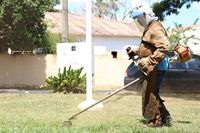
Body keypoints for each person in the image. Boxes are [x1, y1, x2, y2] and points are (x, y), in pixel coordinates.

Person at [126, 7, 172, 127]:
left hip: (157, 67)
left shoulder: (155, 28)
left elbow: (164, 47)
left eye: (141, 19)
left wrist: (149, 60)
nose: (140, 22)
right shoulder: (151, 28)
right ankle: (165, 116)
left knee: (151, 93)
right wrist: (135, 51)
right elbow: (148, 48)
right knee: (153, 92)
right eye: (138, 20)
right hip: (153, 68)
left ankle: (156, 121)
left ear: (148, 16)